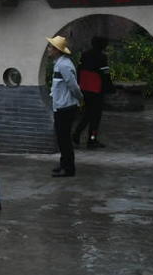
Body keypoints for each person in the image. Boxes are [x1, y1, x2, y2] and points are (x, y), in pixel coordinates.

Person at [46, 34, 82, 177]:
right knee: (61, 137)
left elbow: (73, 86)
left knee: (64, 139)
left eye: (50, 47)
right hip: (61, 106)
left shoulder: (64, 65)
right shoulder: (60, 64)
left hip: (65, 107)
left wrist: (80, 98)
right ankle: (64, 163)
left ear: (57, 50)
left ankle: (69, 168)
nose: (48, 49)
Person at [73, 36, 111, 149]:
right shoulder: (102, 57)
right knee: (95, 117)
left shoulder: (85, 55)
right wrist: (110, 88)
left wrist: (79, 85)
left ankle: (77, 134)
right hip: (97, 90)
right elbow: (105, 74)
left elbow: (79, 70)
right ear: (103, 45)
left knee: (87, 114)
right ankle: (92, 139)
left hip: (85, 89)